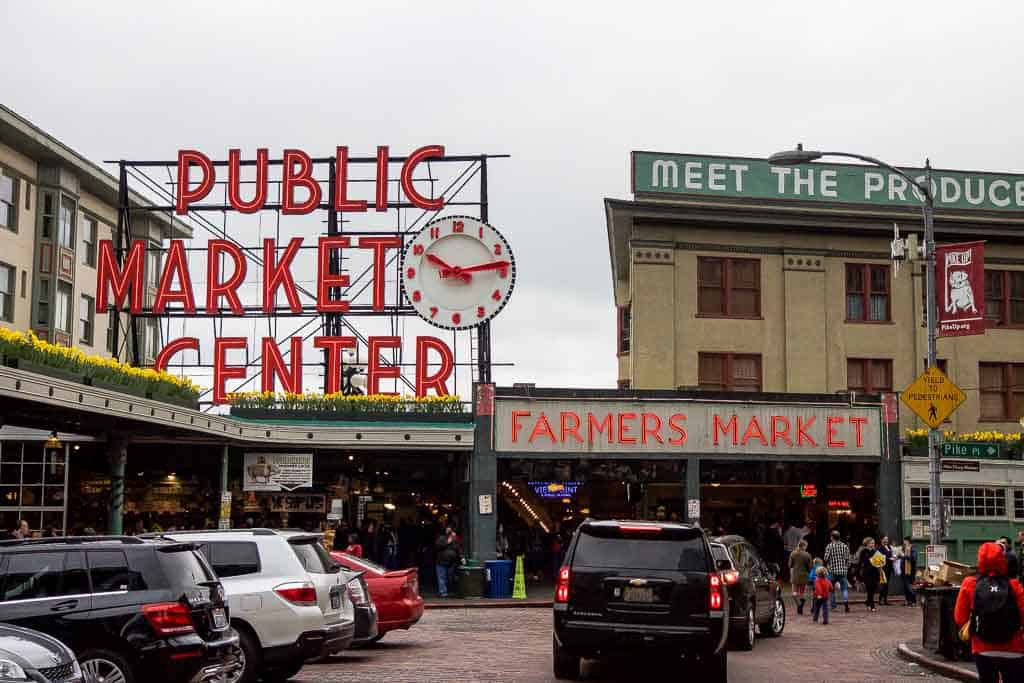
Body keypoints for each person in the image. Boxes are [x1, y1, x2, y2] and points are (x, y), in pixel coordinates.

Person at [954, 542, 1024, 683]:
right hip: (1013, 648)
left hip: (982, 648)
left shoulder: (969, 583)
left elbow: (959, 617)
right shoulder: (1014, 585)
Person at [824, 530, 852, 613]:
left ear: (832, 537)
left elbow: (825, 558)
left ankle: (833, 606)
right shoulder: (844, 546)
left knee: (831, 590)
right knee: (844, 589)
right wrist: (846, 567)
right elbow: (848, 559)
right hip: (843, 571)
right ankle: (846, 604)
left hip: (832, 571)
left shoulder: (829, 546)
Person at [788, 540, 813, 615]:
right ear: (804, 546)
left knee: (794, 593)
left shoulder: (793, 553)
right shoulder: (807, 555)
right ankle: (800, 605)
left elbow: (790, 565)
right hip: (804, 575)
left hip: (795, 574)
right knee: (802, 593)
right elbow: (810, 567)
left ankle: (799, 605)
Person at [435, 527, 460, 598]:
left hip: (451, 562)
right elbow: (438, 546)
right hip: (441, 561)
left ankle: (451, 591)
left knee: (450, 578)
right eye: (448, 530)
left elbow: (458, 548)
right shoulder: (441, 538)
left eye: (450, 530)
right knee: (442, 578)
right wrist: (447, 542)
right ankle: (443, 593)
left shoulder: (455, 539)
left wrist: (461, 557)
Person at [860, 537, 881, 612]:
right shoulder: (863, 551)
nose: (873, 544)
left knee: (873, 589)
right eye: (871, 543)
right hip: (867, 572)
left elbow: (879, 560)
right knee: (869, 589)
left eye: (873, 543)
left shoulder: (875, 551)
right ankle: (872, 605)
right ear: (867, 544)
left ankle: (868, 602)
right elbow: (862, 562)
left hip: (874, 572)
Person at [899, 537, 918, 607]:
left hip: (910, 571)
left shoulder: (913, 548)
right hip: (904, 570)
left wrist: (904, 556)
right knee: (905, 586)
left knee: (909, 586)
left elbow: (913, 559)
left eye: (905, 541)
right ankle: (907, 601)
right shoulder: (905, 548)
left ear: (908, 541)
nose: (903, 543)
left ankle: (913, 601)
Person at [878, 535, 894, 605]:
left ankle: (885, 599)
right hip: (883, 568)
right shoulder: (880, 548)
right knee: (883, 584)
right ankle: (880, 599)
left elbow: (890, 555)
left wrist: (893, 557)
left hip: (889, 567)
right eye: (885, 539)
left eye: (887, 539)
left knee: (887, 584)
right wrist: (888, 558)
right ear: (881, 540)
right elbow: (880, 557)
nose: (886, 541)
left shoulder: (889, 547)